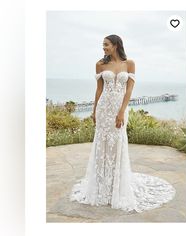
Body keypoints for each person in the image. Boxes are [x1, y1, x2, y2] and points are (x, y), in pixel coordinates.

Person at [69, 34, 176, 213]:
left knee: (117, 143)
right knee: (102, 144)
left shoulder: (130, 64)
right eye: (103, 45)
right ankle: (102, 186)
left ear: (116, 45)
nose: (103, 48)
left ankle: (117, 187)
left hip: (119, 108)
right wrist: (94, 111)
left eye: (106, 45)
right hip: (104, 109)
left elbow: (129, 90)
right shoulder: (100, 64)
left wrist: (121, 112)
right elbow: (99, 90)